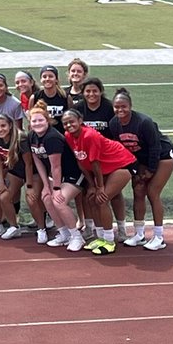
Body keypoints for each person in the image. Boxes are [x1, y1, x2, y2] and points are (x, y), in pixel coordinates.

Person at [109, 88, 173, 251]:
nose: (120, 110)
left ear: (130, 106)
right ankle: (139, 234)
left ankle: (159, 236)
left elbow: (155, 147)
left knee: (152, 192)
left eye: (123, 106)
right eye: (117, 107)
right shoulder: (114, 124)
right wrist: (135, 170)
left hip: (163, 156)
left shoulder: (144, 122)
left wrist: (151, 171)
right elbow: (122, 150)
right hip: (141, 160)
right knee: (138, 190)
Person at [63, 109, 137, 255]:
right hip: (105, 168)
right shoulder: (68, 136)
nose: (68, 125)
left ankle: (109, 241)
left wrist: (99, 187)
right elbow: (81, 162)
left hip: (122, 163)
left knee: (102, 199)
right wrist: (91, 186)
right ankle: (101, 236)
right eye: (65, 123)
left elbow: (95, 163)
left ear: (80, 120)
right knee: (91, 199)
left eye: (72, 121)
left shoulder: (90, 135)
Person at [27, 106, 86, 252]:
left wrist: (56, 188)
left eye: (41, 120)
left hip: (73, 174)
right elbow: (38, 161)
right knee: (46, 198)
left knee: (59, 201)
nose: (37, 123)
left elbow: (56, 166)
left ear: (47, 120)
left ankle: (77, 236)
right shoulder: (32, 136)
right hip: (55, 175)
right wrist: (46, 185)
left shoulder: (52, 137)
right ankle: (64, 233)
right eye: (34, 121)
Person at [0, 113, 30, 239]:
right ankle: (11, 225)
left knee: (32, 197)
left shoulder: (21, 138)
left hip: (30, 171)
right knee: (1, 194)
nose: (0, 129)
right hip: (14, 171)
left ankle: (42, 226)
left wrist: (29, 185)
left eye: (3, 126)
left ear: (10, 125)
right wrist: (1, 180)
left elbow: (29, 164)